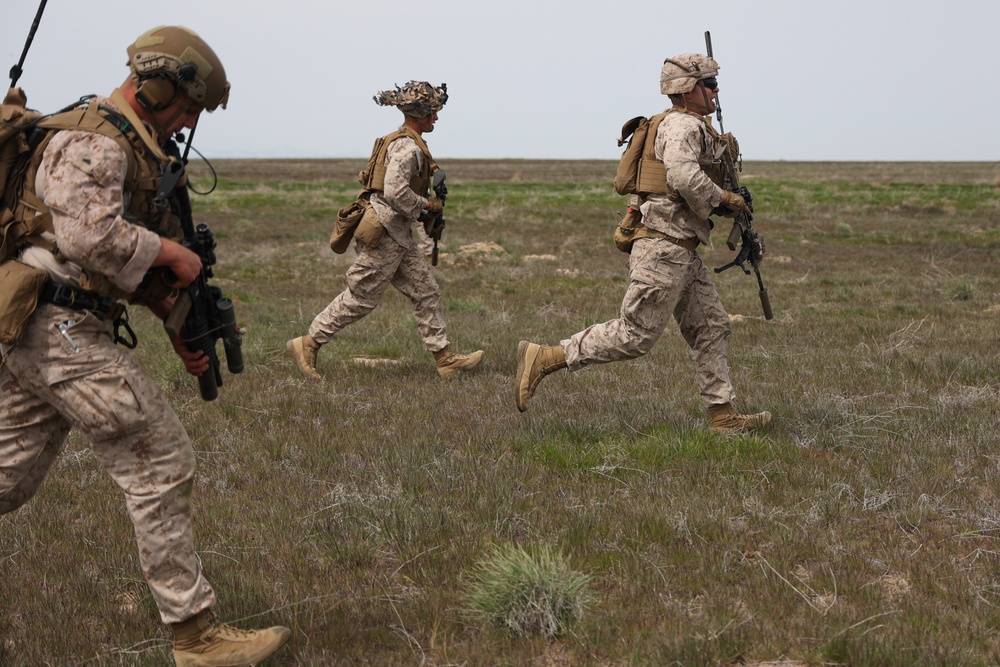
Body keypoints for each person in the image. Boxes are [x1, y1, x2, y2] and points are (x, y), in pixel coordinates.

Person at [0, 26, 290, 666]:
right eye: (187, 105)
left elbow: (114, 271)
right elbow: (87, 241)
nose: (188, 121)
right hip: (61, 330)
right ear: (158, 86)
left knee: (7, 478)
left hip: (47, 328)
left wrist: (174, 314)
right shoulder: (96, 142)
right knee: (159, 457)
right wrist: (173, 253)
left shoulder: (129, 144)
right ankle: (197, 638)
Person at [514, 53, 772, 435]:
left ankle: (724, 416)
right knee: (635, 335)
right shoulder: (682, 126)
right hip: (664, 249)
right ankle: (547, 357)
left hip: (681, 251)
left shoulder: (679, 124)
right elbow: (683, 176)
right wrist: (723, 199)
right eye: (710, 84)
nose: (716, 91)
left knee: (710, 325)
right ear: (688, 89)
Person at [287, 81, 483, 380]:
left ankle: (444, 359)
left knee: (425, 291)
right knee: (361, 298)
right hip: (386, 236)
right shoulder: (408, 148)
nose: (436, 119)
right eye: (432, 113)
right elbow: (395, 192)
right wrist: (428, 206)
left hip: (397, 235)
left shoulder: (403, 141)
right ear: (420, 114)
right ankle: (309, 343)